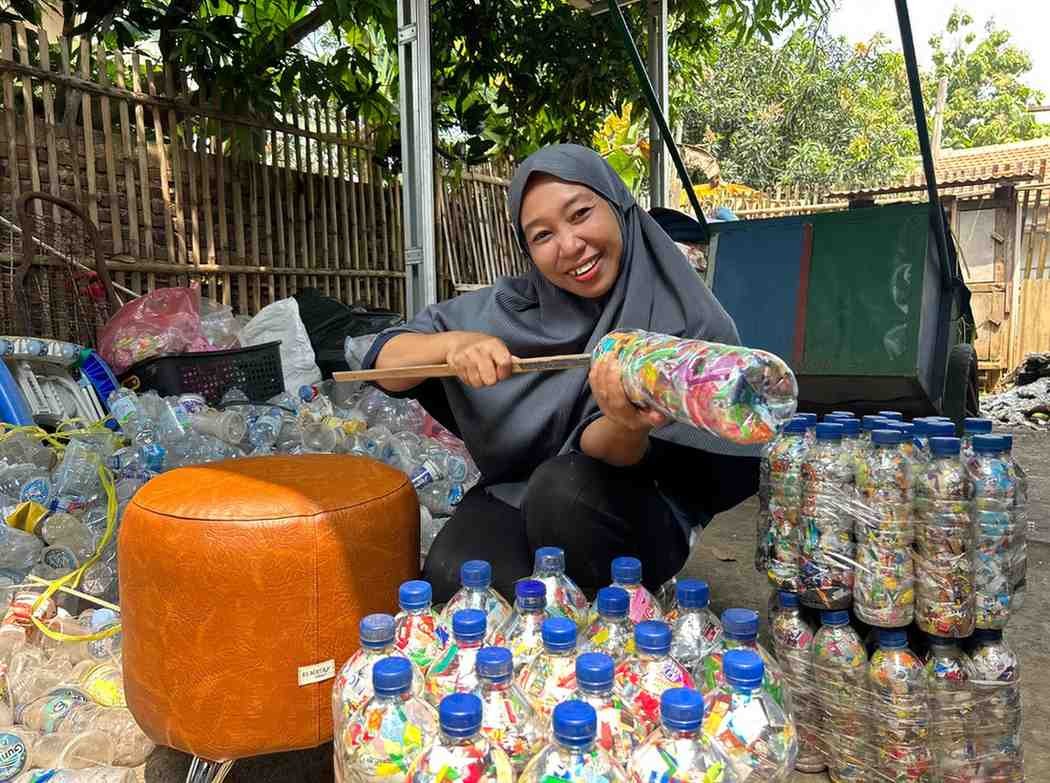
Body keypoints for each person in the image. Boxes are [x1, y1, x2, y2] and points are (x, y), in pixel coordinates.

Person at [362, 144, 759, 602]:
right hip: (521, 490)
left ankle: (623, 604)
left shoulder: (687, 325)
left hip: (633, 499)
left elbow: (618, 451)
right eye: (542, 235)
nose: (569, 246)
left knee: (565, 494)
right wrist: (452, 345)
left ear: (618, 206)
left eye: (581, 214)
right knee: (456, 584)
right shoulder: (512, 308)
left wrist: (624, 420)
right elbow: (384, 364)